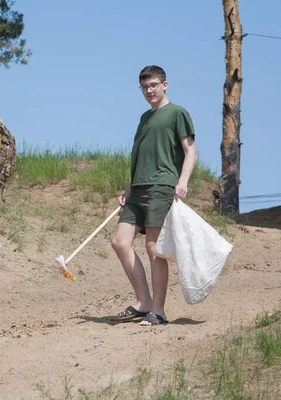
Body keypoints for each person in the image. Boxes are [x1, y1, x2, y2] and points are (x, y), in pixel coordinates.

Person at [110, 65, 197, 326]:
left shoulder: (177, 113)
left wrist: (182, 181)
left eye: (153, 85)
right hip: (137, 189)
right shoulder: (144, 118)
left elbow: (190, 151)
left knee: (153, 248)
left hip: (161, 187)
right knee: (119, 242)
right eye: (144, 87)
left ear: (165, 85)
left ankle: (158, 310)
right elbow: (139, 155)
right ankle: (144, 301)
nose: (149, 91)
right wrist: (128, 187)